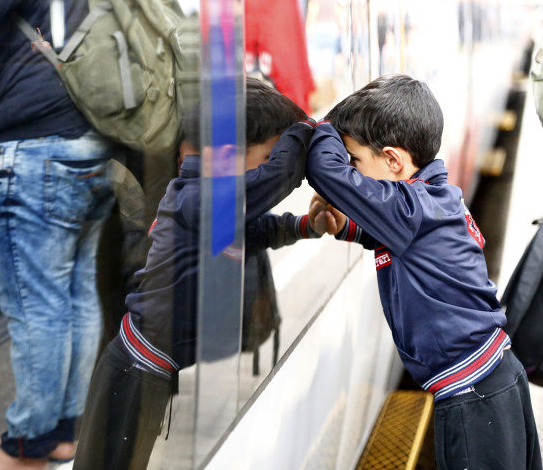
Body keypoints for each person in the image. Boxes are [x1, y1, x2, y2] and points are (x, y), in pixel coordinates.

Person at [72, 78, 321, 470]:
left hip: (148, 369)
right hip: (134, 372)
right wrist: (311, 131)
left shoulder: (208, 200)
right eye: (268, 155)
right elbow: (277, 178)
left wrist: (307, 225)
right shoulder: (197, 199)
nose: (267, 169)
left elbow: (259, 230)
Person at [305, 74, 542, 469]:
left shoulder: (409, 208)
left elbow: (324, 171)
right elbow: (403, 244)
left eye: (355, 162)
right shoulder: (432, 197)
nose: (351, 172)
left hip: (473, 399)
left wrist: (318, 128)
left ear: (394, 160)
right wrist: (345, 225)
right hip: (497, 382)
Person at [0, 0, 115, 469]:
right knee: (74, 294)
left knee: (37, 304)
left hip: (34, 148)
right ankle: (65, 430)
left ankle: (29, 446)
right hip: (89, 141)